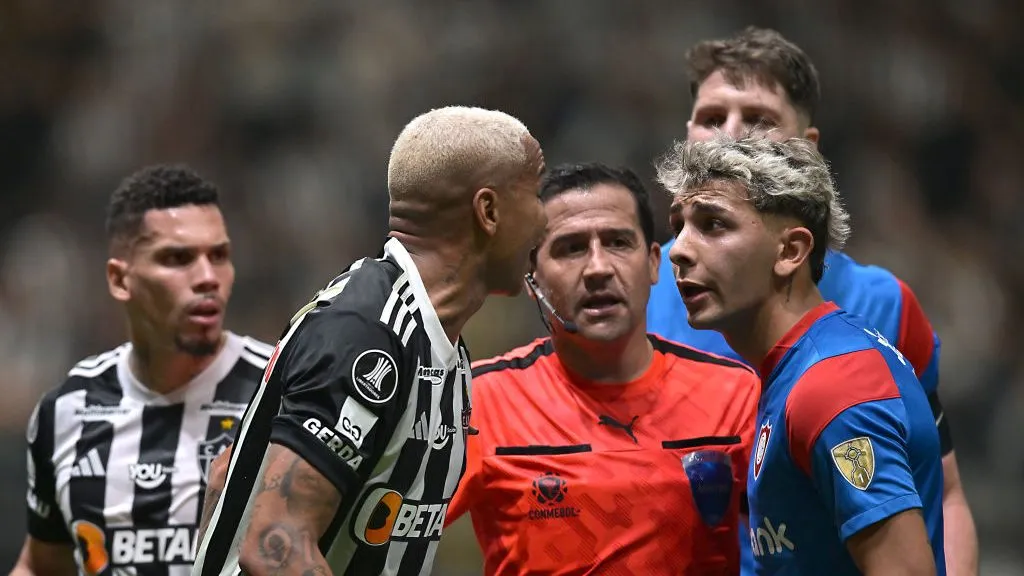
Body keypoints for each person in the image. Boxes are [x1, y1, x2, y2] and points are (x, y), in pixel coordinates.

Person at [646, 26, 977, 575]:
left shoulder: (839, 376)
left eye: (713, 225)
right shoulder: (766, 353)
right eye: (712, 117)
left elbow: (935, 508)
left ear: (791, 251)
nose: (731, 135)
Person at [192, 106, 547, 576]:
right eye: (536, 194)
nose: (546, 220)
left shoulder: (438, 342)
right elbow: (276, 547)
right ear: (489, 211)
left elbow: (226, 475)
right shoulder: (368, 333)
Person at [445, 163, 761, 575]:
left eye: (617, 242)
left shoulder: (735, 394)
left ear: (654, 263)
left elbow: (799, 541)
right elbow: (381, 536)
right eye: (571, 248)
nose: (598, 268)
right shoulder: (479, 402)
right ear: (531, 277)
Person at [658, 135, 945, 575]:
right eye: (679, 226)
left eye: (712, 224)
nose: (678, 249)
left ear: (790, 251)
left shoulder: (835, 384)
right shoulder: (795, 371)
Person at [11, 165, 270, 576]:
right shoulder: (66, 411)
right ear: (120, 279)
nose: (208, 277)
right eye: (178, 258)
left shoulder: (278, 391)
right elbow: (41, 565)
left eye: (219, 256)